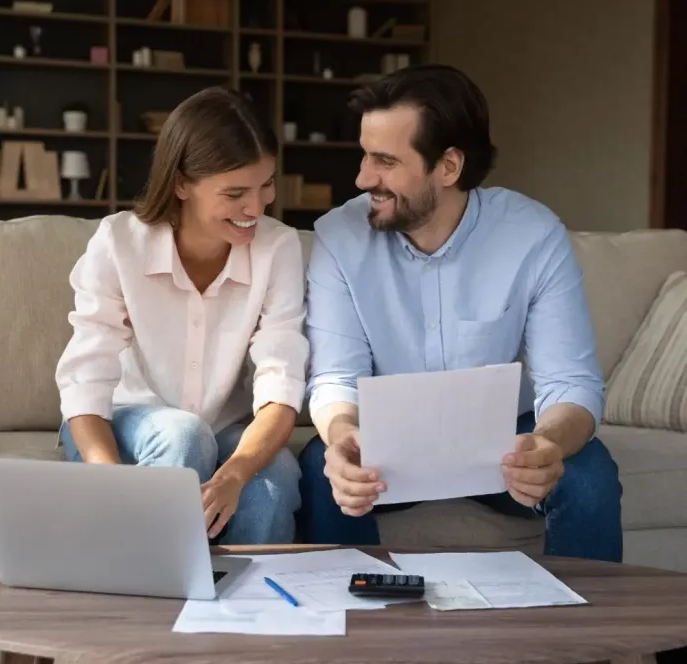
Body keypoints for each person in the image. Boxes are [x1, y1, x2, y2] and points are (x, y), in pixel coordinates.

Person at [298, 64, 623, 565]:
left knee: (590, 476)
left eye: (385, 161)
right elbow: (337, 377)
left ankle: (590, 641)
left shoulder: (533, 236)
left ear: (448, 166)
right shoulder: (340, 238)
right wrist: (344, 436)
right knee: (321, 468)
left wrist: (548, 444)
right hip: (387, 440)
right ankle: (342, 632)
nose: (364, 178)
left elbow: (571, 383)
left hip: (505, 443)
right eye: (365, 156)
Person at [55, 87, 307, 564]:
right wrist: (107, 480)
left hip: (225, 427)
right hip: (121, 421)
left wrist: (236, 474)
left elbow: (282, 379)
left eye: (266, 185)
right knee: (184, 435)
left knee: (275, 474)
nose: (256, 208)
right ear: (181, 183)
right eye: (234, 193)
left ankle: (251, 619)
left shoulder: (279, 248)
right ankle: (150, 599)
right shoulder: (119, 242)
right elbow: (86, 378)